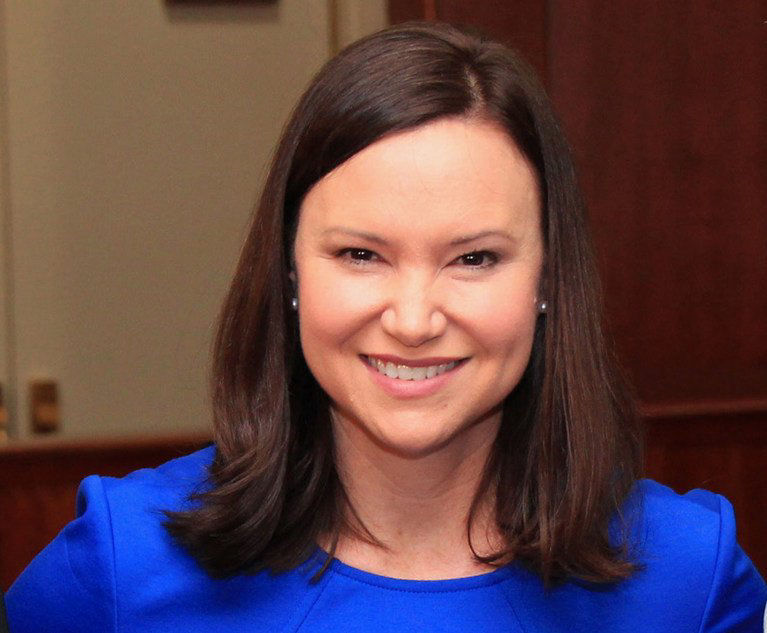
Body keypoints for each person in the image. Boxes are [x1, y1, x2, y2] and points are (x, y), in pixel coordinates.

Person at [7, 21, 766, 632]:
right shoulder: (122, 567)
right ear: (290, 272)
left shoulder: (687, 579)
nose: (412, 320)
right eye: (361, 255)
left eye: (473, 258)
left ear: (547, 278)